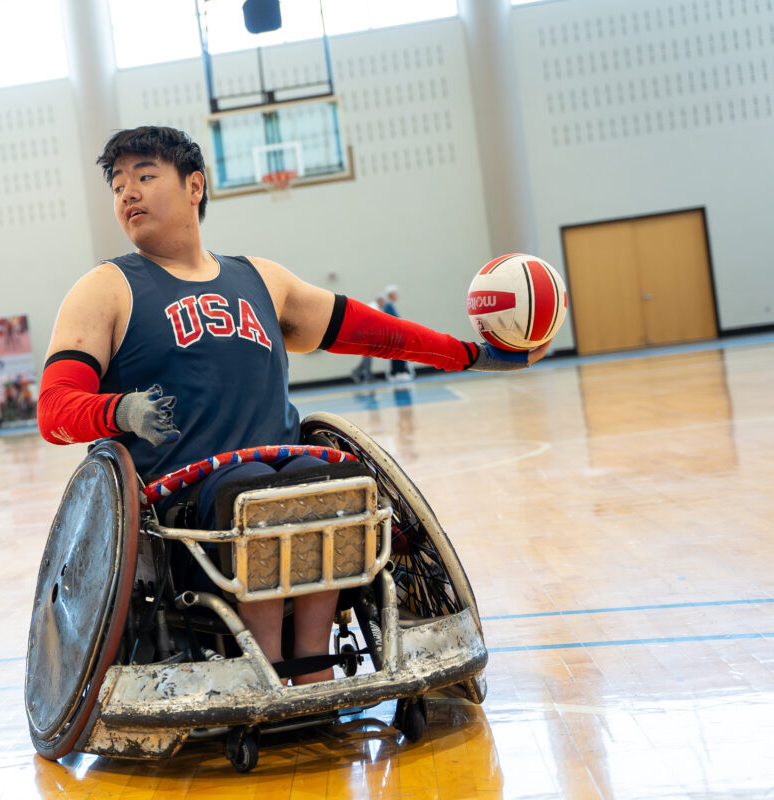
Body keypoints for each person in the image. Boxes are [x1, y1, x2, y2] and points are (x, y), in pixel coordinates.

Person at [36, 126, 547, 684]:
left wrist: (472, 354)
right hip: (183, 507)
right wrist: (119, 412)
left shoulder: (260, 278)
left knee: (333, 481)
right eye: (117, 185)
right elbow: (54, 409)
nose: (127, 193)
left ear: (195, 187)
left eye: (145, 176)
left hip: (279, 466)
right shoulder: (105, 288)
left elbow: (378, 335)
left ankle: (311, 660)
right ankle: (267, 666)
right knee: (257, 490)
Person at [351, 294, 386, 382]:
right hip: (366, 334)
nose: (384, 304)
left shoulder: (376, 307)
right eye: (383, 302)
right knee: (368, 354)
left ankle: (357, 371)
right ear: (380, 300)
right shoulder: (373, 307)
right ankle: (367, 375)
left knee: (368, 354)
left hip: (366, 334)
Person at [383, 284, 412, 382]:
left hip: (397, 334)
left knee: (398, 352)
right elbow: (393, 320)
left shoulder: (390, 305)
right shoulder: (388, 305)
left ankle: (400, 372)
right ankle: (398, 372)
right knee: (398, 353)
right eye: (396, 293)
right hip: (394, 335)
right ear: (392, 294)